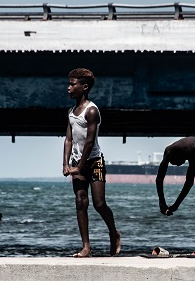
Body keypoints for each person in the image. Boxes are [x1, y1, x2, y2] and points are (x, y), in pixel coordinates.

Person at [63, 68, 121, 258]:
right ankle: (86, 247)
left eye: (73, 84)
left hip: (94, 161)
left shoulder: (92, 111)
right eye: (69, 84)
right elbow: (69, 139)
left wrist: (80, 166)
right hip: (76, 162)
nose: (69, 88)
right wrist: (65, 163)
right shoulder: (71, 112)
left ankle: (114, 233)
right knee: (80, 202)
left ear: (84, 87)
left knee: (99, 203)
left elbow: (89, 141)